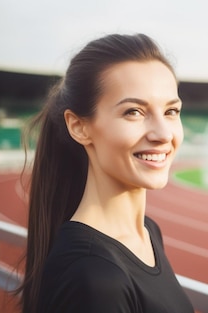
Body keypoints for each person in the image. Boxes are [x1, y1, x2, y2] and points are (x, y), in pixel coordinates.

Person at [17, 33, 194, 313]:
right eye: (134, 112)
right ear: (79, 127)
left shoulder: (148, 232)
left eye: (171, 111)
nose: (163, 134)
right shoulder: (93, 276)